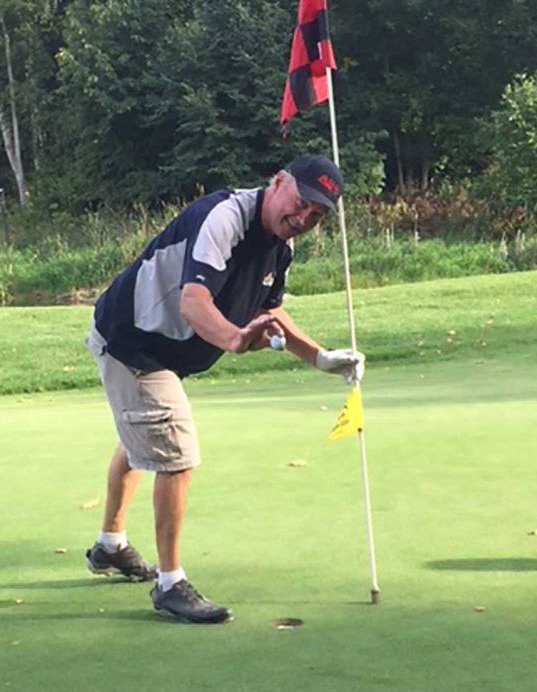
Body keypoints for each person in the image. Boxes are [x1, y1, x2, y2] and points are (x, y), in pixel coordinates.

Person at [84, 155, 365, 624]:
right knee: (175, 453)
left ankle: (110, 547)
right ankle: (170, 584)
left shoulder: (281, 250)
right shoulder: (226, 217)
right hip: (132, 340)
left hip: (163, 350)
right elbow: (193, 303)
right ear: (277, 182)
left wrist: (321, 358)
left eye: (314, 217)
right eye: (299, 205)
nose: (301, 219)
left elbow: (271, 318)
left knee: (141, 441)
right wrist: (235, 339)